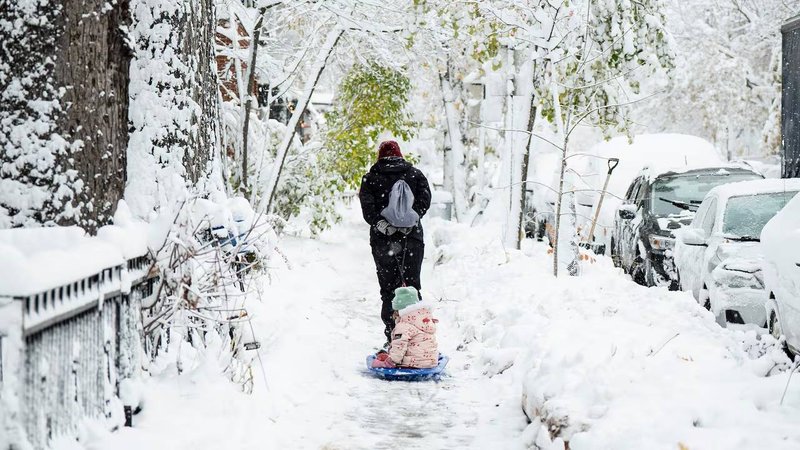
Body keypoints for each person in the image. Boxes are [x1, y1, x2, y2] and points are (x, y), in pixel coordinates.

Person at [359, 140, 431, 346]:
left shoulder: (371, 178)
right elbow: (424, 201)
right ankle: (416, 337)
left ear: (380, 156)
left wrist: (381, 224)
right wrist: (412, 220)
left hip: (384, 241)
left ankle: (394, 337)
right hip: (412, 239)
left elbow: (368, 208)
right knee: (412, 285)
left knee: (389, 289)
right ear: (400, 155)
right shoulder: (416, 175)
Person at [371, 286, 438, 369]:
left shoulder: (403, 326)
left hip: (412, 364)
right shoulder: (425, 319)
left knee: (375, 363)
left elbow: (399, 346)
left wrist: (391, 361)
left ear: (399, 310)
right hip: (430, 362)